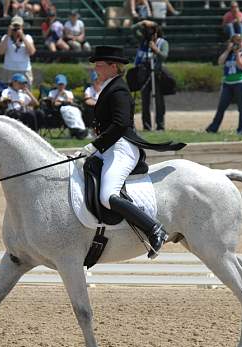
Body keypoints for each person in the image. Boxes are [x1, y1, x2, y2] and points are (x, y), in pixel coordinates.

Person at [77, 45, 185, 258]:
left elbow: (119, 124)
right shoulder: (109, 86)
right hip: (109, 146)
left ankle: (154, 229)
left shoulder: (119, 90)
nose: (96, 67)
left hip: (121, 148)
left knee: (108, 195)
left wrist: (95, 146)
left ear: (113, 66)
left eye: (100, 64)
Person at [206, 34, 242, 136]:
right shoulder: (228, 54)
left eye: (239, 41)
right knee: (221, 107)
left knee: (241, 108)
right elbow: (220, 62)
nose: (237, 43)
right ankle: (213, 128)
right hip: (228, 84)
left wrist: (237, 53)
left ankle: (241, 130)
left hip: (241, 83)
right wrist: (228, 50)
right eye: (234, 41)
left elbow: (241, 65)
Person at [132, 20, 169, 131]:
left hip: (157, 74)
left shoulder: (163, 43)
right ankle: (147, 126)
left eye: (152, 31)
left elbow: (164, 56)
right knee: (145, 101)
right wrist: (142, 22)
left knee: (158, 101)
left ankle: (160, 125)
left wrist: (156, 50)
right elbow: (133, 30)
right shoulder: (143, 41)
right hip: (143, 74)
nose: (150, 34)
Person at [0, 15, 36, 86]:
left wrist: (22, 36)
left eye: (18, 26)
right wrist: (8, 34)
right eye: (15, 26)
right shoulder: (5, 38)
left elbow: (32, 52)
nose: (16, 29)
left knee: (26, 93)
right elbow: (0, 52)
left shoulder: (28, 37)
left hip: (24, 69)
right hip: (9, 69)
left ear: (22, 26)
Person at [48, 74, 88, 139]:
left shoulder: (68, 92)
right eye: (59, 84)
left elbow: (70, 101)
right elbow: (54, 103)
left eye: (62, 84)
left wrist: (64, 97)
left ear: (65, 84)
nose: (61, 86)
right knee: (68, 113)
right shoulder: (52, 92)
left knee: (76, 112)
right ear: (56, 84)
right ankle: (75, 129)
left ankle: (81, 129)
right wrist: (58, 94)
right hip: (60, 109)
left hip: (70, 106)